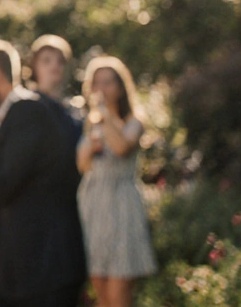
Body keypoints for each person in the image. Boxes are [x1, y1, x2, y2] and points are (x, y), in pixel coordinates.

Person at [0, 39, 86, 307]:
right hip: (36, 268)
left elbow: (0, 185)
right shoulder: (28, 110)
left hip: (40, 268)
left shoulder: (27, 110)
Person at [76, 57, 156, 307]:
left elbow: (121, 146)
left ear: (120, 87)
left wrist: (105, 115)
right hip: (93, 205)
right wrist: (91, 140)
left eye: (108, 82)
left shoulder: (134, 121)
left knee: (119, 290)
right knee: (99, 285)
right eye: (96, 82)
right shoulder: (89, 122)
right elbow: (83, 165)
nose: (102, 88)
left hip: (121, 205)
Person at [27, 34, 84, 146]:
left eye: (60, 61)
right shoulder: (27, 105)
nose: (55, 65)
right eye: (46, 60)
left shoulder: (74, 110)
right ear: (34, 65)